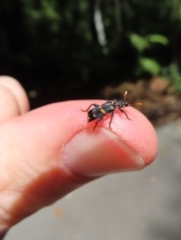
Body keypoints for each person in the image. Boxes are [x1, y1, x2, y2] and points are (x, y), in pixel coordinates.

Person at [0, 76, 158, 239]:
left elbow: (109, 111)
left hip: (94, 114)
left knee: (102, 115)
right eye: (124, 104)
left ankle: (93, 119)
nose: (123, 106)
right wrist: (99, 121)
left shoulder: (111, 105)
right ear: (119, 104)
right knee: (105, 119)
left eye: (124, 104)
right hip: (94, 116)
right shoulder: (111, 108)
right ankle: (94, 120)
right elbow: (108, 114)